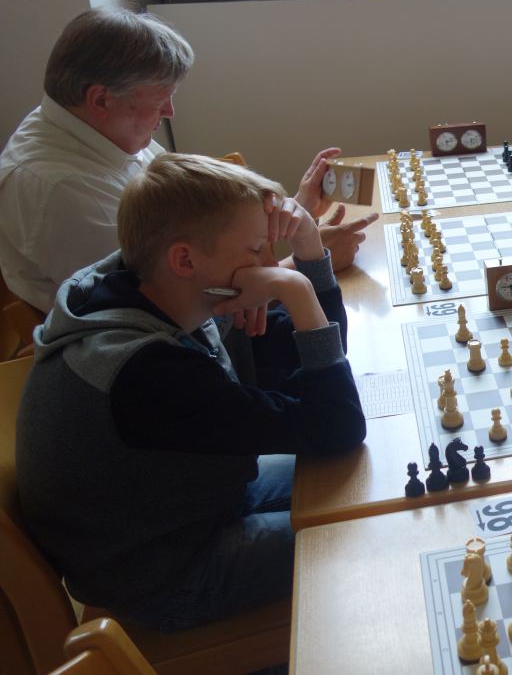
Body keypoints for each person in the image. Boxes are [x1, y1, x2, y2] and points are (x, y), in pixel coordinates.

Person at [16, 153, 367, 631]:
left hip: (191, 502)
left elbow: (311, 358)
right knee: (358, 531)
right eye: (256, 250)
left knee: (361, 480)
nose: (268, 264)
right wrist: (296, 288)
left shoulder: (157, 288)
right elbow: (337, 424)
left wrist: (308, 248)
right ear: (184, 259)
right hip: (162, 571)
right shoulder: (146, 371)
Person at [0, 6, 378, 314]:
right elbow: (167, 302)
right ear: (100, 99)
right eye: (159, 99)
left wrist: (297, 212)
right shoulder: (57, 191)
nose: (169, 112)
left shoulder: (96, 128)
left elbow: (198, 230)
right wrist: (307, 264)